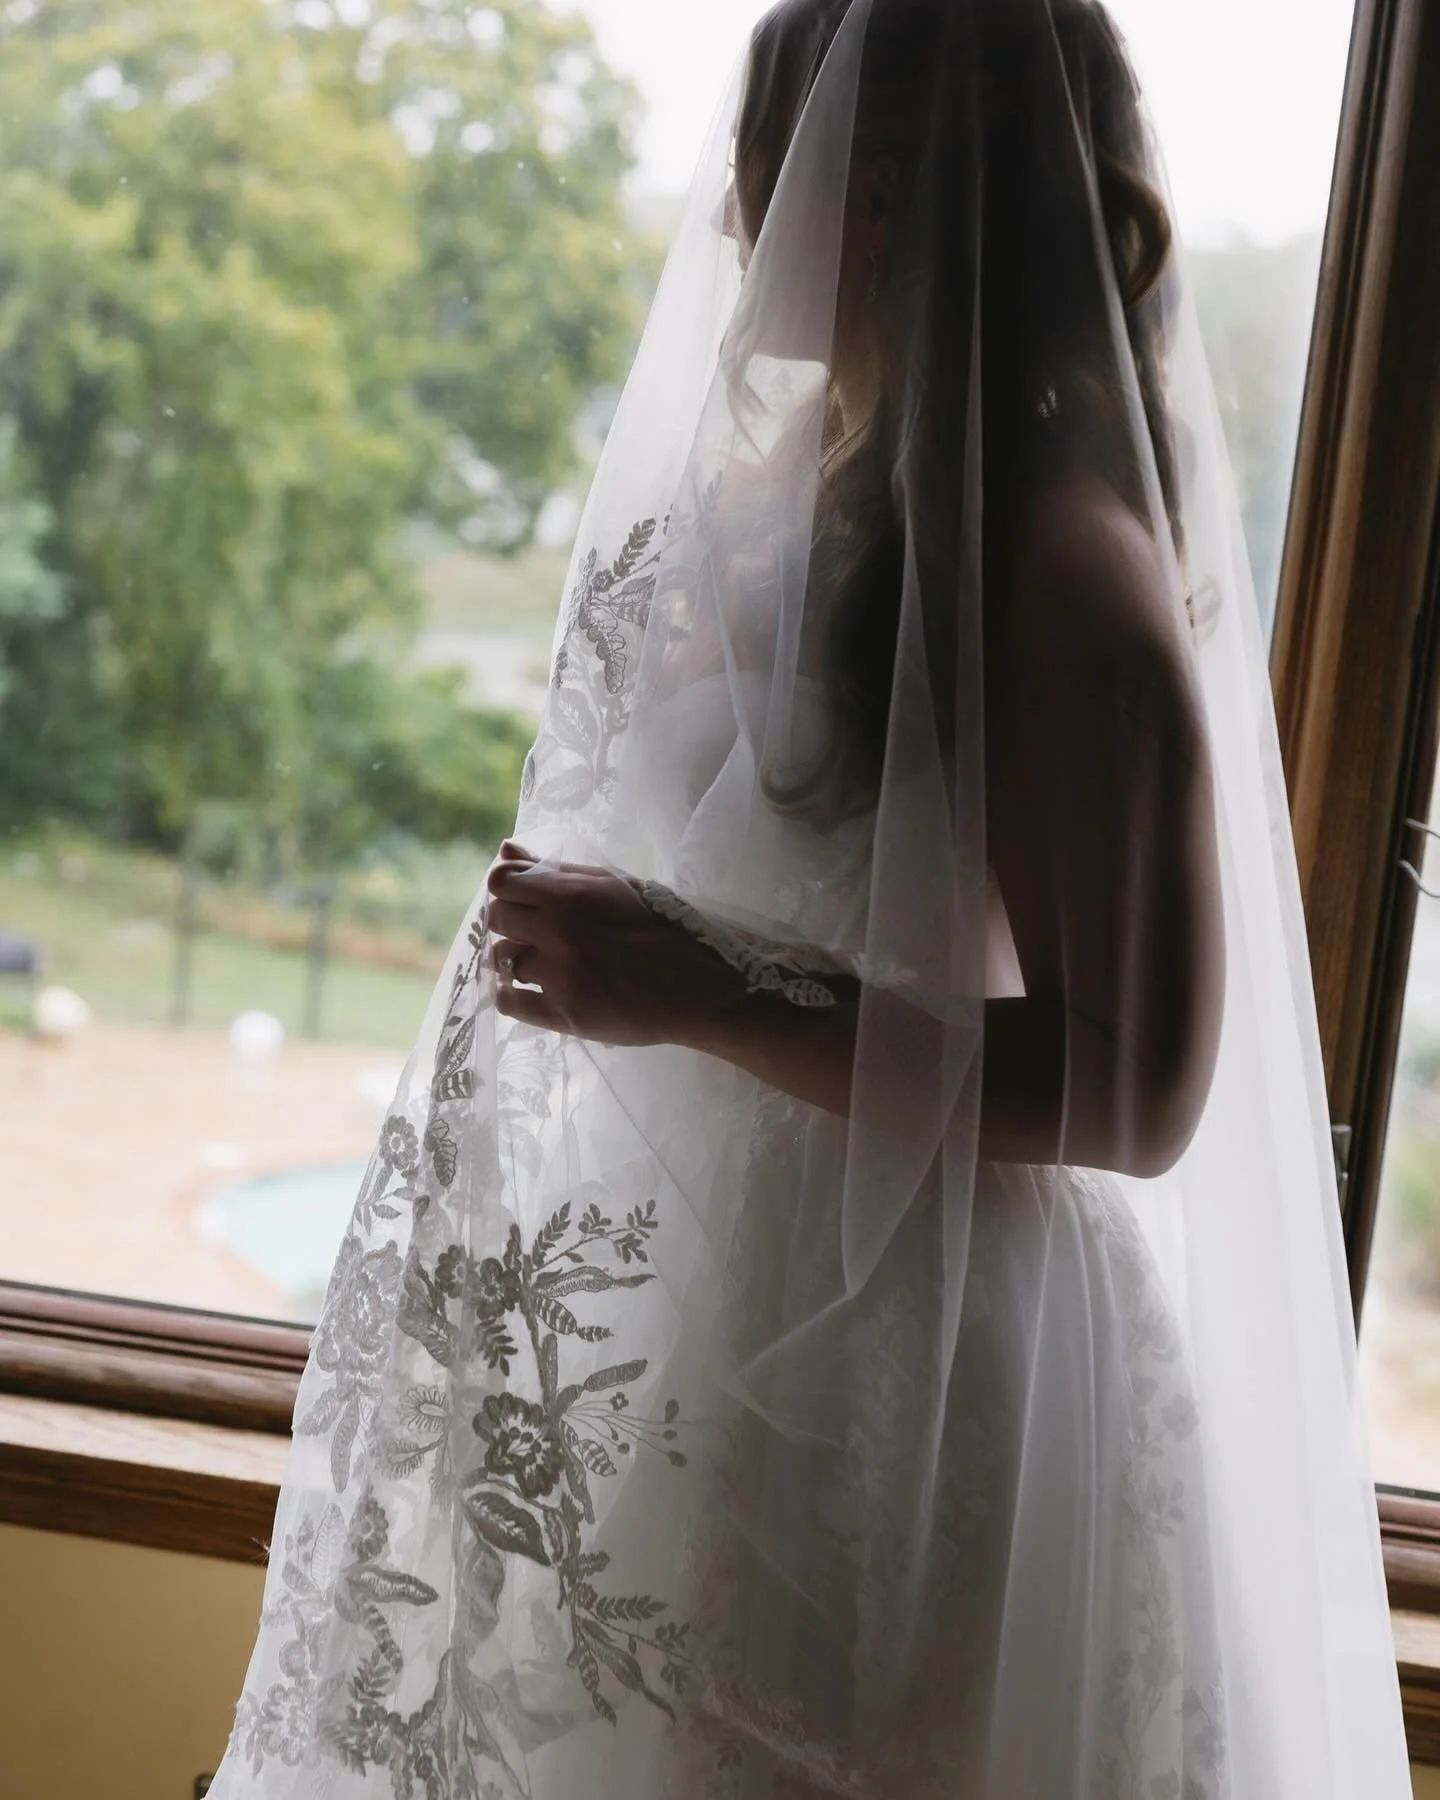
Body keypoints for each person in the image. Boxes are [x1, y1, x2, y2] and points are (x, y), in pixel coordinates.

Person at [212, 3, 1410, 1796]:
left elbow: (1141, 1091)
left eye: (761, 167)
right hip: (713, 1308)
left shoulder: (1068, 571)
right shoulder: (849, 509)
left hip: (900, 1385)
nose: (725, 223)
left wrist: (687, 984)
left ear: (877, 191)